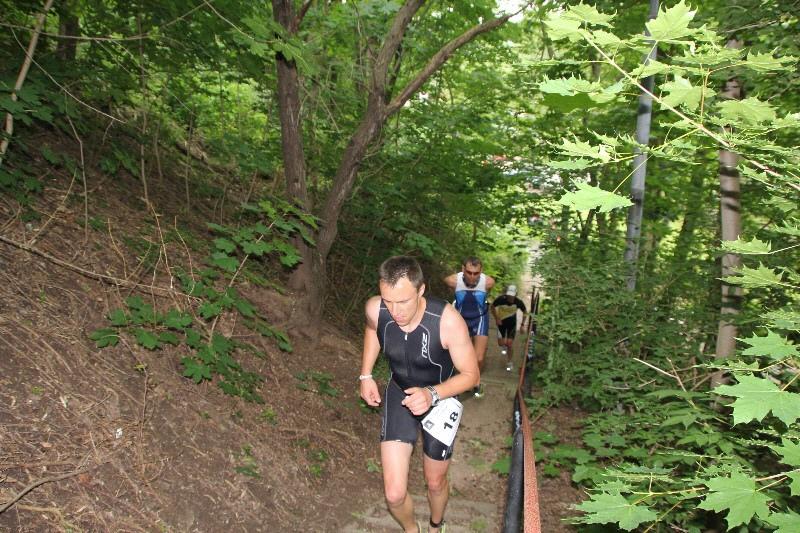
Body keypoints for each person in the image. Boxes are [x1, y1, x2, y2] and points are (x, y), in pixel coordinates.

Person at [360, 256, 479, 533]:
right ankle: (412, 530)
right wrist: (365, 375)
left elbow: (472, 375)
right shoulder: (376, 309)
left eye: (403, 301)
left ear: (421, 290)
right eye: (388, 301)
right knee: (394, 494)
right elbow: (372, 330)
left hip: (441, 399)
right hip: (399, 394)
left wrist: (431, 394)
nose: (395, 311)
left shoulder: (447, 321)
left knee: (435, 482)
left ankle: (436, 525)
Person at [443, 256, 495, 397]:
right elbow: (448, 286)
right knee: (457, 356)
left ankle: (476, 380)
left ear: (481, 271)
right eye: (469, 272)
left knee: (479, 358)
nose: (472, 276)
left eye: (476, 273)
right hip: (460, 319)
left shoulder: (488, 282)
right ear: (463, 269)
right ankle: (463, 380)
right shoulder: (453, 280)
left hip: (480, 319)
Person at [491, 284, 528, 372]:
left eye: (512, 295)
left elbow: (525, 312)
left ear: (515, 294)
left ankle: (509, 362)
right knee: (501, 343)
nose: (510, 297)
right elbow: (492, 307)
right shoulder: (501, 299)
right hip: (501, 323)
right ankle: (504, 346)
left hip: (512, 324)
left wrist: (522, 325)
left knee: (509, 344)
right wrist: (496, 318)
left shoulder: (518, 302)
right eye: (509, 295)